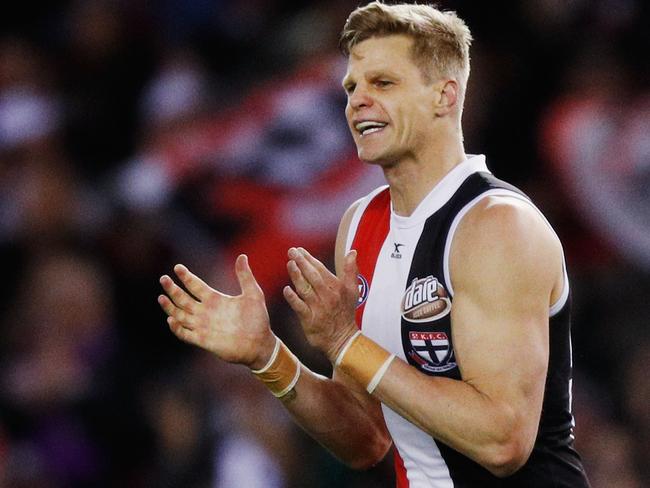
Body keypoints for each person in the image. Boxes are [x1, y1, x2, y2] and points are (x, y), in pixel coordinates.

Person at [158, 2, 591, 486]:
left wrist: (347, 342)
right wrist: (267, 355)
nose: (357, 101)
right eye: (351, 87)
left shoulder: (496, 226)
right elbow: (366, 439)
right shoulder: (360, 226)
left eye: (382, 83)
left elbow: (503, 441)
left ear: (444, 96)